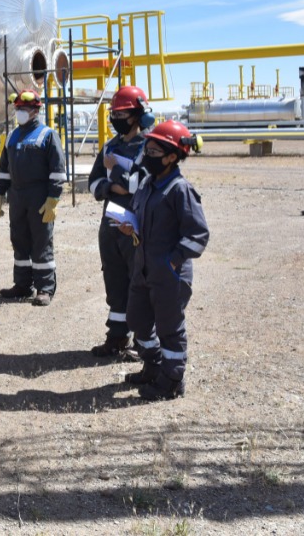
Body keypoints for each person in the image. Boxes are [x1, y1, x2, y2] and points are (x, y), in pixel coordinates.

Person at [119, 119, 209, 401]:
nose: (147, 155)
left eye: (155, 153)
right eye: (147, 149)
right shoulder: (148, 184)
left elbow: (198, 234)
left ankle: (171, 380)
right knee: (137, 319)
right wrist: (130, 226)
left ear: (172, 157)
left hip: (170, 276)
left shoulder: (180, 190)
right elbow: (140, 217)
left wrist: (173, 262)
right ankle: (154, 365)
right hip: (144, 270)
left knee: (170, 330)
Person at [87, 85, 152, 358]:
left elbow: (140, 186)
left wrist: (115, 178)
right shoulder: (110, 146)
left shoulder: (149, 147)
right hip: (110, 222)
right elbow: (93, 184)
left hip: (135, 223)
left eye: (122, 113)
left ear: (137, 115)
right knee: (113, 280)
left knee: (139, 282)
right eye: (114, 113)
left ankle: (144, 340)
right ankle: (117, 336)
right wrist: (114, 185)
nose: (116, 118)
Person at [0, 90, 67, 307]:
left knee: (41, 241)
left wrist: (53, 198)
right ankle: (23, 284)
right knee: (19, 240)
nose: (19, 113)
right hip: (17, 196)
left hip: (39, 195)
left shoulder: (47, 135)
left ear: (35, 111)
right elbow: (4, 168)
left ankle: (45, 287)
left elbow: (57, 170)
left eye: (23, 110)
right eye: (17, 109)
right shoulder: (12, 135)